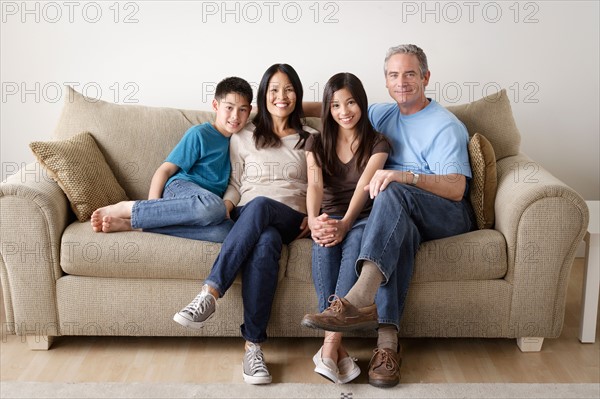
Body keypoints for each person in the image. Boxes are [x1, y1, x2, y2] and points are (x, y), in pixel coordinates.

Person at [302, 44, 476, 388]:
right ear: (385, 81)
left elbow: (457, 189)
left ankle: (358, 298)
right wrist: (283, 107)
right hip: (401, 216)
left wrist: (403, 176)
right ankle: (386, 347)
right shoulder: (383, 115)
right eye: (394, 75)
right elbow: (335, 108)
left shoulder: (445, 126)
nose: (402, 82)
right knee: (396, 235)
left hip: (447, 213)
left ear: (425, 77)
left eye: (410, 74)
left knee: (390, 191)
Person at [173, 64, 315, 385]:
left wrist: (314, 211)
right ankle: (254, 348)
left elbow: (320, 184)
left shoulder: (311, 138)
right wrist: (224, 206)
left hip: (291, 215)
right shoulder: (244, 134)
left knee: (263, 205)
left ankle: (210, 293)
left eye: (289, 89)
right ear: (263, 96)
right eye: (274, 90)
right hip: (251, 216)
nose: (281, 96)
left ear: (298, 95)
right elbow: (236, 183)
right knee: (264, 243)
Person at [90, 76, 253, 243]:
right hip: (180, 189)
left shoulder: (241, 143)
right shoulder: (200, 134)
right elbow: (165, 170)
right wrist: (151, 207)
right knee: (214, 207)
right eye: (229, 107)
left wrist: (224, 206)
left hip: (204, 207)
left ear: (249, 111)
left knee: (227, 232)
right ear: (215, 106)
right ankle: (128, 208)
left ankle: (135, 225)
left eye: (242, 110)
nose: (235, 116)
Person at [305, 72, 390, 384]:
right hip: (327, 218)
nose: (344, 111)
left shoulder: (378, 142)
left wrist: (345, 224)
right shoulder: (315, 140)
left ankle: (328, 347)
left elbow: (364, 187)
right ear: (327, 108)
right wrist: (314, 219)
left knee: (353, 248)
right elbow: (314, 184)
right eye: (336, 105)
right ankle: (335, 351)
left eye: (351, 102)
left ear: (362, 103)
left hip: (361, 217)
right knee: (325, 248)